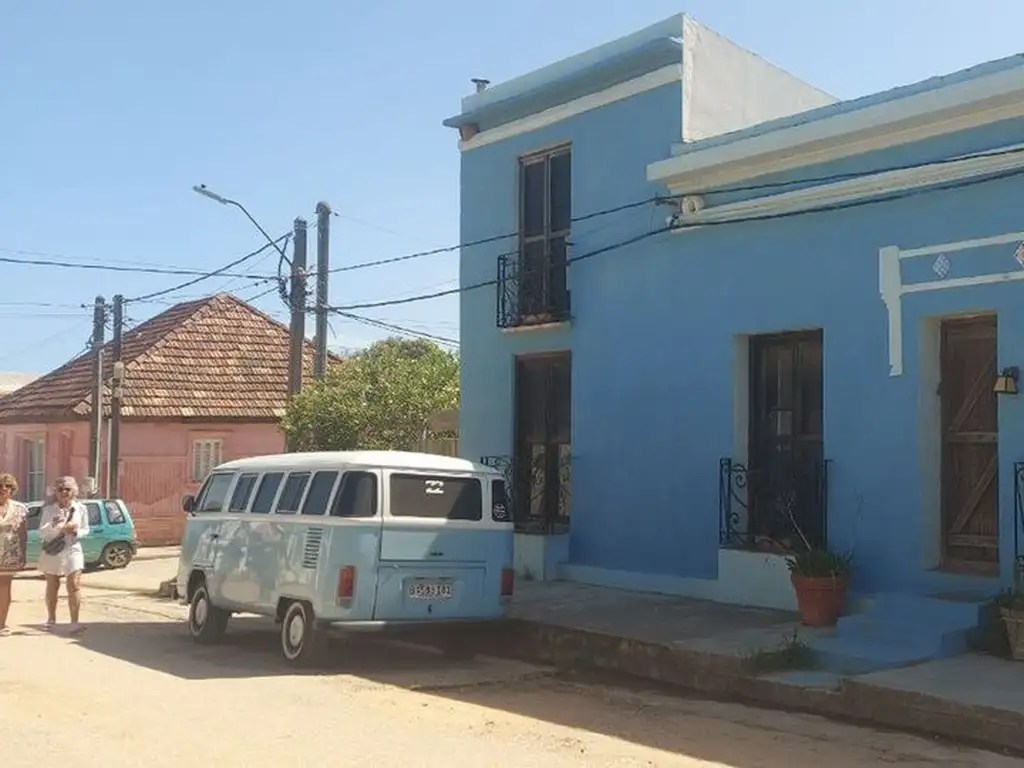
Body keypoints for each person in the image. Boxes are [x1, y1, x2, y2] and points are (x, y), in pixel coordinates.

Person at [38, 476, 89, 634]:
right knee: (52, 585)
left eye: (67, 489)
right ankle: (51, 619)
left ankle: (74, 621)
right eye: (60, 489)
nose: (64, 492)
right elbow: (42, 532)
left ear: (74, 491)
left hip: (73, 549)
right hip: (53, 551)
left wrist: (76, 531)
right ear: (56, 492)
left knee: (74, 585)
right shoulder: (49, 509)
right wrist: (57, 527)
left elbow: (86, 529)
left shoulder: (81, 508)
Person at [0, 472, 28, 636]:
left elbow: (23, 533)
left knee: (4, 588)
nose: (4, 489)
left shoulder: (20, 508)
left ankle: (2, 624)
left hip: (9, 555)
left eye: (8, 486)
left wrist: (24, 555)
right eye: (0, 486)